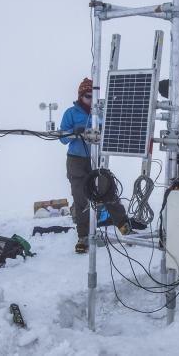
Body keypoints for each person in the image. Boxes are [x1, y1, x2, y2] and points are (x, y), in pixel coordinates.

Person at [60, 77, 131, 254]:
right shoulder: (71, 113)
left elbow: (111, 130)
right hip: (77, 160)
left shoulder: (101, 111)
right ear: (81, 96)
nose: (91, 99)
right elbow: (62, 137)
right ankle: (83, 236)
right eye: (88, 96)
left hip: (97, 159)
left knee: (107, 191)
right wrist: (73, 133)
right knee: (80, 197)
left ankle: (123, 225)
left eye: (94, 96)